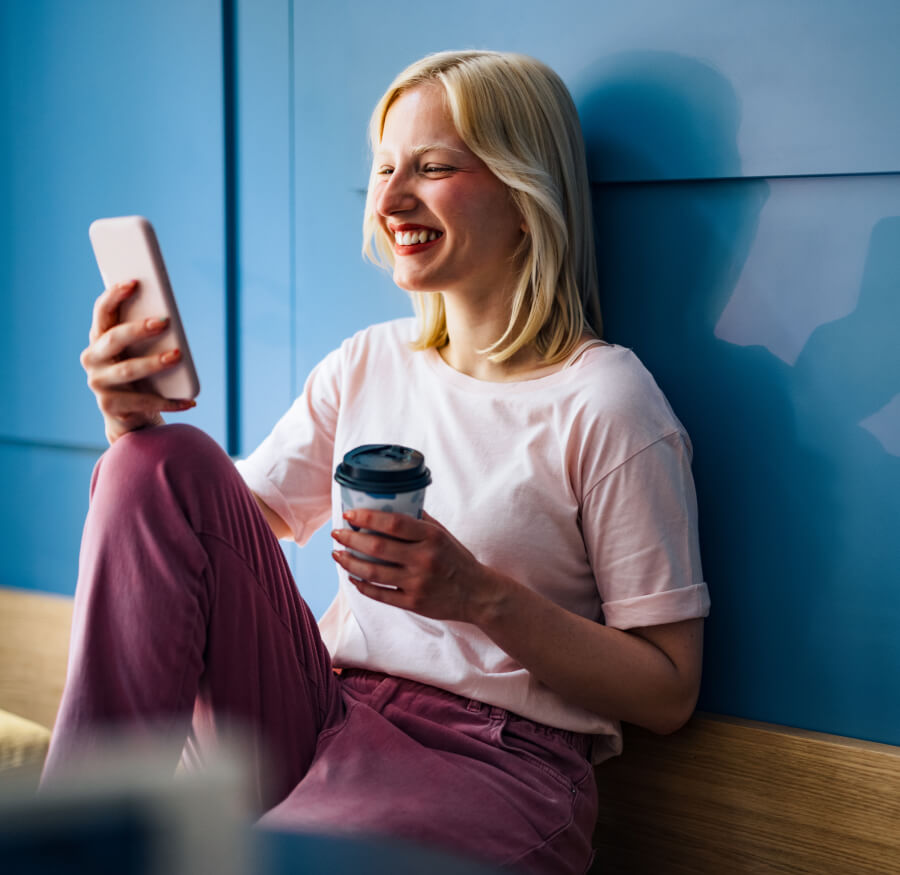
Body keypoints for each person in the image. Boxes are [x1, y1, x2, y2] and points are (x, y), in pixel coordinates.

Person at [45, 50, 709, 873]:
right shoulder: (367, 362)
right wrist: (129, 428)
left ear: (526, 191)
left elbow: (669, 688)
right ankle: (77, 834)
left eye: (432, 168)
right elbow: (205, 539)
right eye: (386, 167)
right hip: (318, 705)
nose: (390, 199)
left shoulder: (607, 402)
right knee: (158, 463)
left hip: (486, 756)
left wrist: (477, 595)